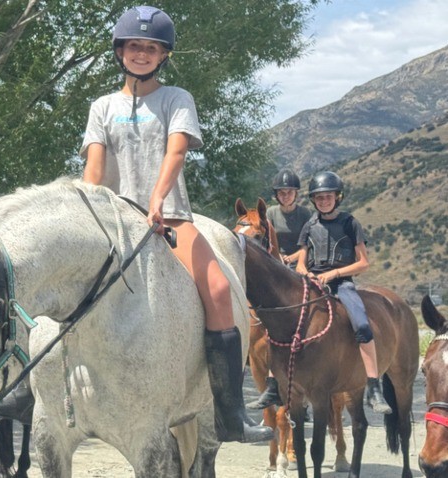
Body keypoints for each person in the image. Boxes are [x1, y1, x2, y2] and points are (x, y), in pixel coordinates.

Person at [80, 5, 272, 443]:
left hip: (168, 216)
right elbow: (94, 169)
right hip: (113, 221)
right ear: (120, 51)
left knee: (219, 289)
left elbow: (177, 151)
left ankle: (229, 413)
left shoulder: (176, 98)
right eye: (134, 46)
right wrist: (87, 210)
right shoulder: (102, 107)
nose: (141, 53)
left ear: (163, 55)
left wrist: (157, 199)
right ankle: (32, 387)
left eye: (151, 48)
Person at [295, 171, 391, 414]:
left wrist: (335, 274)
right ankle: (276, 384)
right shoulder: (309, 226)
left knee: (362, 325)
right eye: (319, 197)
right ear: (313, 200)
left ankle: (374, 387)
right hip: (313, 283)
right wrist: (308, 274)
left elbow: (363, 263)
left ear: (338, 197)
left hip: (342, 283)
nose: (324, 201)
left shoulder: (350, 223)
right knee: (284, 323)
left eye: (328, 196)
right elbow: (300, 265)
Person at [247, 169, 312, 409]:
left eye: (289, 192)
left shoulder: (306, 214)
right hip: (273, 265)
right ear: (277, 195)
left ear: (296, 194)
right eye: (282, 193)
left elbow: (307, 244)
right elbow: (266, 240)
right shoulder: (270, 214)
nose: (285, 196)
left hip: (299, 265)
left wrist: (290, 258)